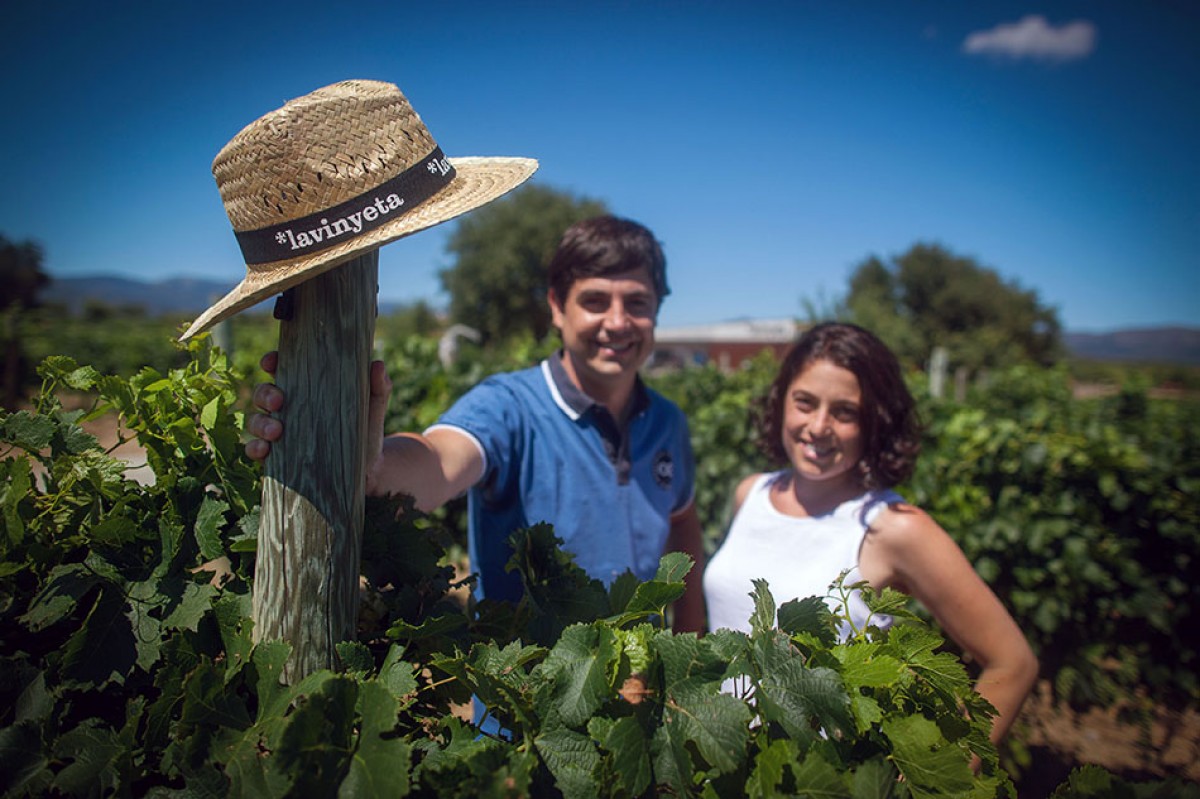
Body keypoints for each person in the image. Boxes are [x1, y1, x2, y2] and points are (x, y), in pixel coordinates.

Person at [247, 215, 706, 633]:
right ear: (556, 307)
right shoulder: (509, 406)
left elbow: (682, 524)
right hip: (529, 714)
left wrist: (689, 647)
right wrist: (372, 465)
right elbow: (440, 458)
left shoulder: (668, 421)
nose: (618, 322)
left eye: (638, 303)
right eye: (595, 301)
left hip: (642, 703)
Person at [702, 321, 1037, 746]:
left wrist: (938, 772)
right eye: (805, 402)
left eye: (845, 412)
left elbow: (1013, 664)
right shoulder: (750, 494)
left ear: (874, 422)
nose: (819, 426)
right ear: (782, 401)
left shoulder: (892, 527)